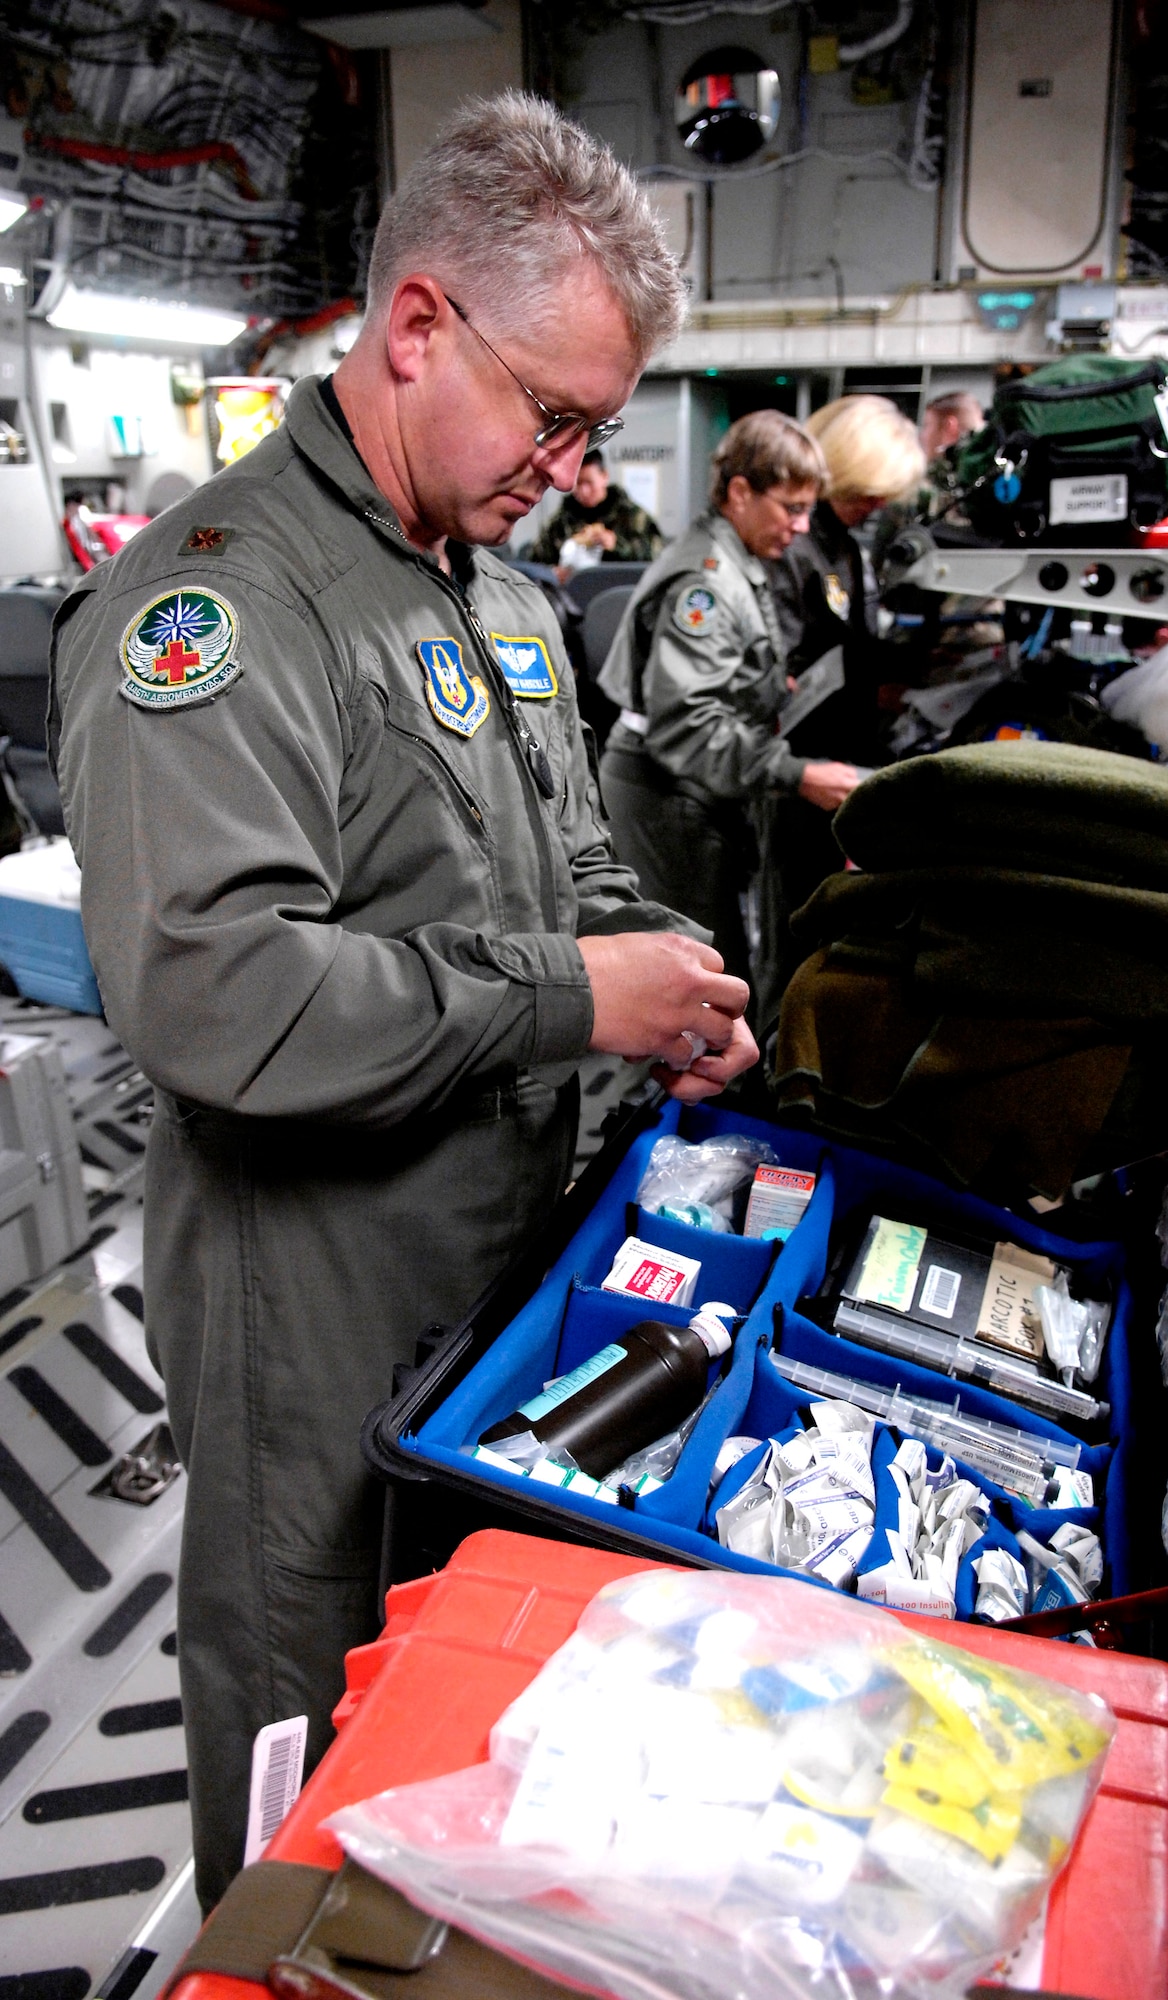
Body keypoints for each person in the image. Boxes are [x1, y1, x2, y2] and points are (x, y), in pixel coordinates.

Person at [50, 91, 759, 1912]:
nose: (573, 468)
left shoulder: (503, 595)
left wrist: (656, 979)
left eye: (593, 432)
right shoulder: (213, 610)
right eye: (553, 416)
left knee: (456, 1695)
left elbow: (568, 863)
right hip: (310, 1302)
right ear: (420, 323)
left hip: (493, 1265)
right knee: (307, 1706)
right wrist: (566, 996)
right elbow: (218, 993)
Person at [597, 410, 861, 1007]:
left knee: (714, 968)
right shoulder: (710, 582)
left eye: (807, 510)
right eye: (789, 508)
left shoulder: (734, 558)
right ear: (740, 492)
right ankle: (683, 1100)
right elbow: (686, 725)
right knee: (697, 982)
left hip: (691, 785)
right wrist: (795, 773)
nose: (799, 526)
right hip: (669, 791)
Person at [764, 395, 925, 991]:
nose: (877, 505)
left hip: (837, 761)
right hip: (799, 770)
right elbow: (783, 668)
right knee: (795, 931)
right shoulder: (797, 547)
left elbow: (851, 642)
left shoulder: (846, 544)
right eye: (868, 492)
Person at [526, 447, 663, 570]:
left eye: (589, 483)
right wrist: (552, 574)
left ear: (604, 477)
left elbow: (658, 559)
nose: (584, 491)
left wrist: (617, 545)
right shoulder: (559, 523)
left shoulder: (634, 518)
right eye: (578, 483)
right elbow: (534, 564)